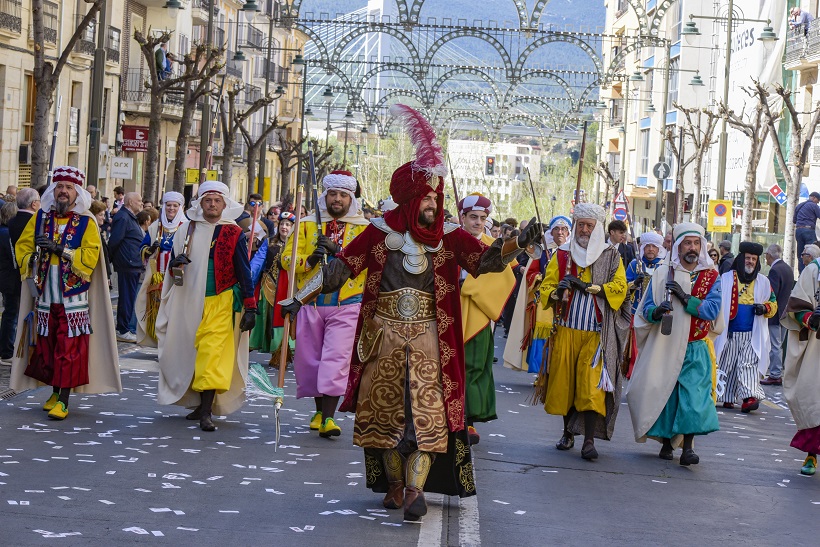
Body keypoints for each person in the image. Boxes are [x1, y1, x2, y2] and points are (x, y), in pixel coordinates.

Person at [279, 104, 541, 521]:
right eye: (429, 199)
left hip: (430, 339)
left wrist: (518, 245)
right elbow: (339, 269)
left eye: (438, 198)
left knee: (426, 414)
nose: (436, 206)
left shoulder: (451, 235)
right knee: (384, 416)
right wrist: (299, 298)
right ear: (412, 198)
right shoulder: (379, 231)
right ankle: (396, 484)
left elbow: (485, 263)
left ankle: (416, 490)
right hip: (381, 335)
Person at [10, 166, 121, 419]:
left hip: (74, 299)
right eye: (59, 186)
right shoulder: (41, 218)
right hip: (45, 296)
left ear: (77, 193)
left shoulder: (86, 222)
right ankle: (55, 391)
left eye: (68, 188)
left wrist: (60, 250)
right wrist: (32, 257)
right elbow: (22, 247)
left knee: (69, 348)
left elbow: (91, 256)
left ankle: (64, 399)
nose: (63, 191)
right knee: (47, 347)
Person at [155, 181, 256, 432]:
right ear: (200, 204)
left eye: (217, 201)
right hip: (188, 301)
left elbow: (244, 270)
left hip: (220, 301)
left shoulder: (233, 233)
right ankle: (200, 404)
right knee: (191, 352)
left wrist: (250, 306)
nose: (212, 205)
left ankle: (207, 412)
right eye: (208, 200)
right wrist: (174, 264)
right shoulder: (186, 230)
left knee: (212, 354)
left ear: (225, 204)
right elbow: (173, 271)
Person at [538, 203, 631, 461]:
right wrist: (559, 290)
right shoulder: (561, 255)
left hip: (595, 333)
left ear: (598, 227)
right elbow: (545, 289)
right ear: (575, 225)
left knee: (591, 388)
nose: (585, 230)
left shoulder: (610, 255)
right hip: (566, 329)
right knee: (565, 385)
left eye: (590, 226)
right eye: (581, 225)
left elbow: (620, 288)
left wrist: (591, 287)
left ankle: (589, 441)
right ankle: (568, 432)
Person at [281, 170, 370, 438]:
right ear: (325, 196)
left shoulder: (364, 229)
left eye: (343, 195)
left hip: (347, 303)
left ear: (351, 198)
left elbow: (370, 264)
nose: (337, 199)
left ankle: (329, 419)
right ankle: (319, 412)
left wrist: (339, 252)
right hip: (310, 302)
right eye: (333, 194)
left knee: (335, 360)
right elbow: (285, 259)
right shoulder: (306, 224)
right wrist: (308, 260)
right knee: (310, 361)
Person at [627, 223, 723, 465]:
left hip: (696, 347)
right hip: (666, 344)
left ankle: (688, 447)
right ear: (678, 246)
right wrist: (658, 311)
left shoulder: (711, 275)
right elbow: (645, 309)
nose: (692, 248)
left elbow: (711, 310)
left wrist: (683, 296)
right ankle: (668, 442)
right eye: (687, 243)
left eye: (696, 243)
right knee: (667, 393)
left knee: (694, 397)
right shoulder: (662, 273)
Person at [457, 193, 517, 444]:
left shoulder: (495, 248)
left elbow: (504, 279)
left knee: (474, 367)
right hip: (450, 312)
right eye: (473, 217)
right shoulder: (447, 242)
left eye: (483, 218)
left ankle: (468, 421)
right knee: (446, 367)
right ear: (462, 217)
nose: (478, 222)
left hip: (479, 316)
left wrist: (468, 286)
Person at [504, 215, 571, 374]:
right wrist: (540, 278)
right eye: (556, 229)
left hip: (567, 301)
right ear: (551, 232)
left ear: (568, 232)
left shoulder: (575, 252)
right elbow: (530, 273)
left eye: (563, 229)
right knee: (543, 336)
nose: (560, 232)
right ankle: (542, 370)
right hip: (545, 302)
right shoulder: (543, 251)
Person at [715, 241, 777, 413]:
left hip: (752, 333)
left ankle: (750, 397)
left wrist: (765, 308)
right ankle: (726, 397)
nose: (750, 261)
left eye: (754, 259)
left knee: (747, 364)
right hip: (729, 332)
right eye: (748, 258)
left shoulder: (764, 282)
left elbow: (773, 303)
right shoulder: (726, 278)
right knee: (727, 363)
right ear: (741, 258)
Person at [780, 252, 820, 475]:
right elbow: (796, 308)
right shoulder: (814, 270)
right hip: (816, 350)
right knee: (814, 400)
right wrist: (810, 318)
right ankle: (811, 455)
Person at [135, 192, 185, 345]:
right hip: (156, 274)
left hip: (176, 274)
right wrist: (149, 250)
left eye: (175, 206)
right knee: (157, 309)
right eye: (168, 205)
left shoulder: (186, 226)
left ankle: (174, 342)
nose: (171, 208)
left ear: (180, 208)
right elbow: (142, 247)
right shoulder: (156, 226)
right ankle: (159, 341)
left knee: (174, 310)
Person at [249, 211, 297, 365]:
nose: (284, 227)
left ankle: (284, 351)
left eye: (288, 225)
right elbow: (259, 260)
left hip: (289, 288)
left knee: (285, 319)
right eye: (282, 224)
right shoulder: (269, 242)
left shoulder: (296, 246)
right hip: (269, 286)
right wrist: (249, 273)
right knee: (267, 317)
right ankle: (267, 347)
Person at [109, 192, 144, 342]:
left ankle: (125, 328)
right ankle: (122, 329)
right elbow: (115, 240)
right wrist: (108, 263)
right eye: (139, 201)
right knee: (126, 298)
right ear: (130, 202)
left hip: (132, 263)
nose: (141, 204)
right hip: (127, 263)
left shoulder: (129, 217)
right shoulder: (123, 217)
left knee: (129, 297)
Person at [761, 244, 794, 386]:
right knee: (779, 345)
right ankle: (777, 372)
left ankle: (775, 374)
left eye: (765, 255)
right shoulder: (787, 268)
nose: (765, 259)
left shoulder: (775, 270)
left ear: (769, 255)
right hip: (785, 313)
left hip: (776, 314)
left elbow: (772, 293)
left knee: (775, 345)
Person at [625, 231, 665, 314]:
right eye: (648, 246)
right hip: (634, 311)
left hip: (655, 312)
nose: (651, 249)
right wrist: (635, 283)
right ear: (643, 248)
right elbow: (623, 289)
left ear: (659, 249)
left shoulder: (664, 266)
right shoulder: (634, 264)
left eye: (654, 246)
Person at [0, 201, 19, 364]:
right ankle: (6, 351)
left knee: (9, 313)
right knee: (11, 313)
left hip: (5, 277)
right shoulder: (7, 233)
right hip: (9, 278)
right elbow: (14, 259)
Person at [794, 192, 820, 273]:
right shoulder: (814, 206)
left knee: (801, 254)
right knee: (813, 252)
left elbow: (794, 220)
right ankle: (812, 272)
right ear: (814, 198)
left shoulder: (799, 206)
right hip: (808, 231)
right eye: (818, 200)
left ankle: (801, 274)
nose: (818, 202)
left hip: (798, 231)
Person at [88, 201, 112, 284]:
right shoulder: (93, 233)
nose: (103, 218)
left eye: (104, 215)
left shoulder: (97, 232)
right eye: (101, 215)